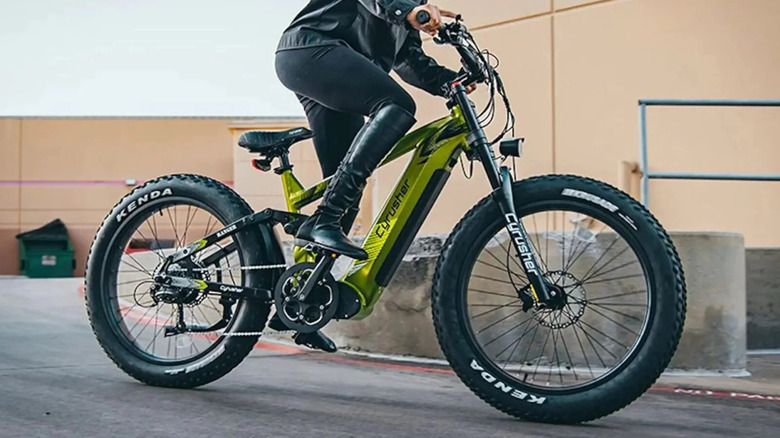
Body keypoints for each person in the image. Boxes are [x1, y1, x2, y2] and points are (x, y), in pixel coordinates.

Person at [270, 0, 475, 352]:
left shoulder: (409, 9)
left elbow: (408, 61)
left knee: (344, 189)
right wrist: (409, 11)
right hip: (312, 49)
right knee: (397, 105)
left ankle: (304, 301)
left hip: (337, 63)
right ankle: (324, 220)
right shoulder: (402, 4)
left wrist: (451, 81)